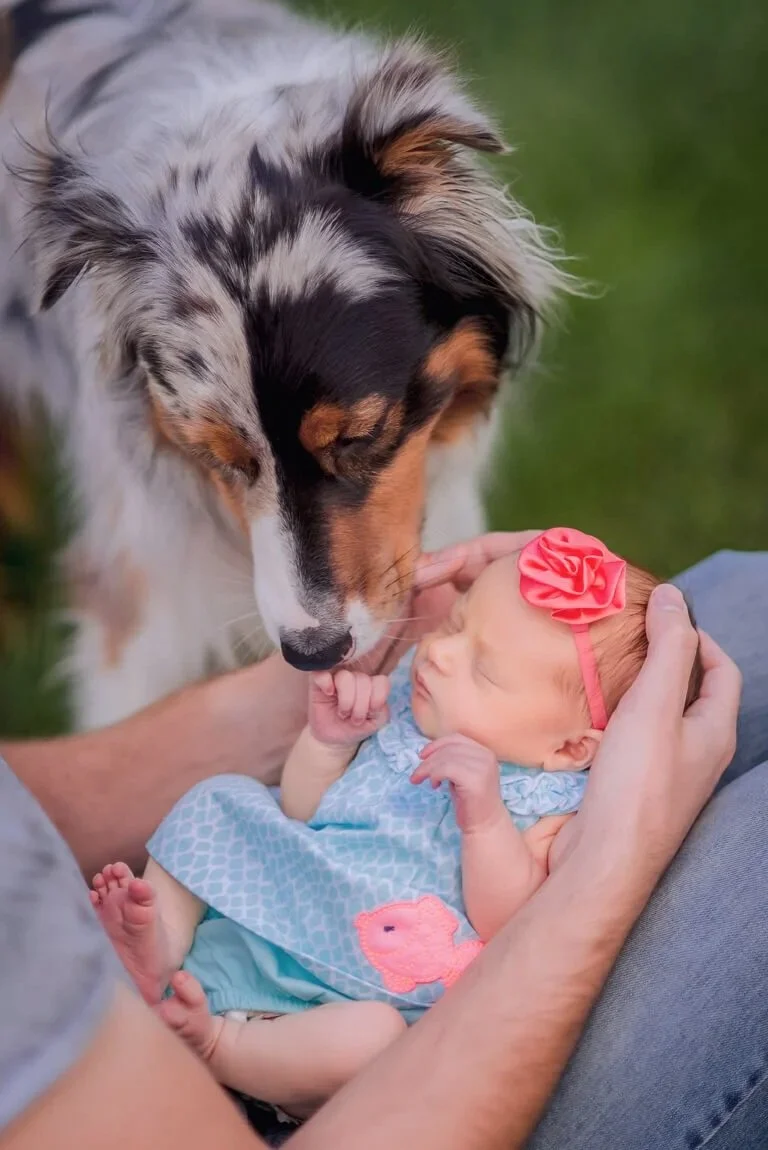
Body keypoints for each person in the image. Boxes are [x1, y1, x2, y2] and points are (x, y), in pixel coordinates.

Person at [1, 534, 765, 1150]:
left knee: (368, 1040)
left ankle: (219, 1045)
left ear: (572, 749)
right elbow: (304, 809)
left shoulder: (552, 806)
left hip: (355, 996)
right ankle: (158, 941)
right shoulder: (414, 707)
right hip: (285, 906)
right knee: (221, 800)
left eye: (485, 669)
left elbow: (507, 919)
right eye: (458, 625)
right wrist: (327, 743)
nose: (437, 652)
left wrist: (484, 819)